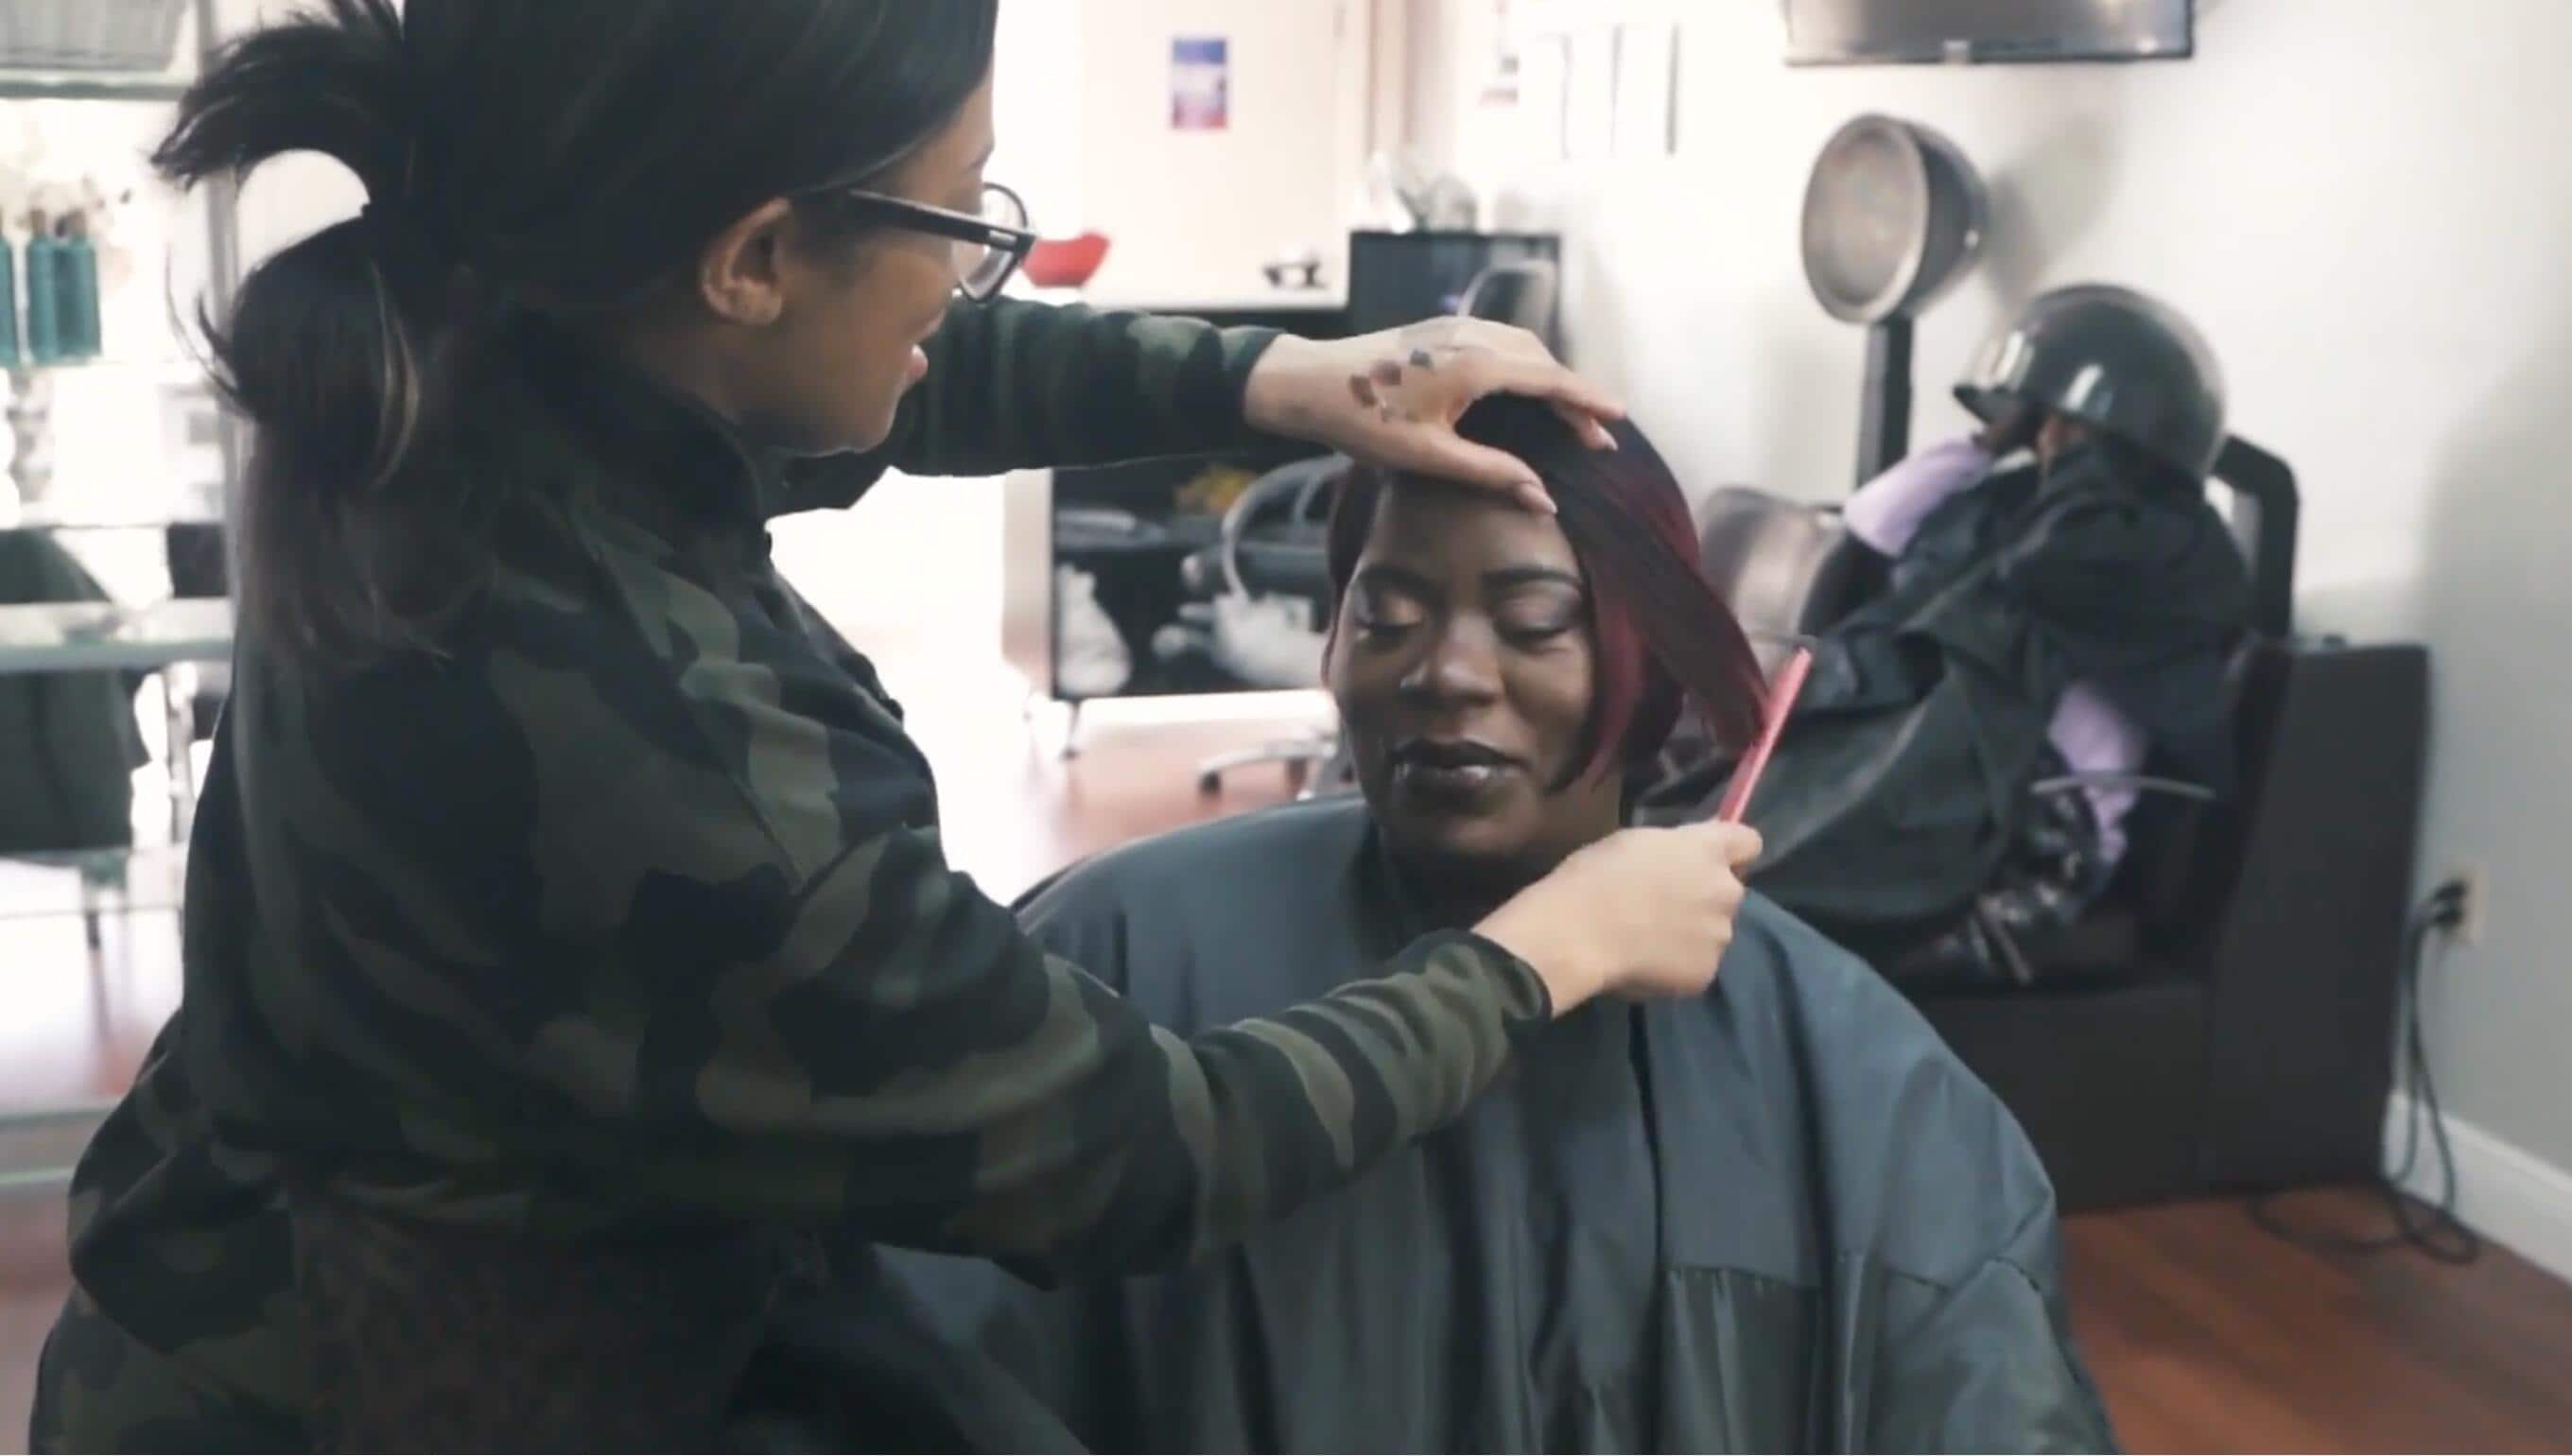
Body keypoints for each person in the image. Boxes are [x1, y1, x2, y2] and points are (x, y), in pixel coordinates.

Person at [24, 4, 1777, 1449]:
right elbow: (1144, 1155)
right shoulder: (691, 766)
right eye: (964, 221)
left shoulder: (482, 348)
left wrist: (1279, 377)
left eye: (1532, 618)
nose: (969, 283)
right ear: (754, 258)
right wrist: (1544, 950)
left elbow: (904, 368)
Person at [887, 397, 2115, 1452]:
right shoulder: (1119, 952)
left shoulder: (1868, 1092)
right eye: (1388, 615)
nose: (1448, 671)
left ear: (1656, 666)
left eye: (1533, 623)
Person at [1648, 284, 2253, 979]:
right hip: (1942, 779)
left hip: (2036, 830)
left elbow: (2049, 574)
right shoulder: (2021, 516)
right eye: (2041, 420)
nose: (2047, 439)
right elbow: (1876, 520)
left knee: (1753, 908)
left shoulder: (2146, 553)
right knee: (1710, 849)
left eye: (2067, 427)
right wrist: (1986, 443)